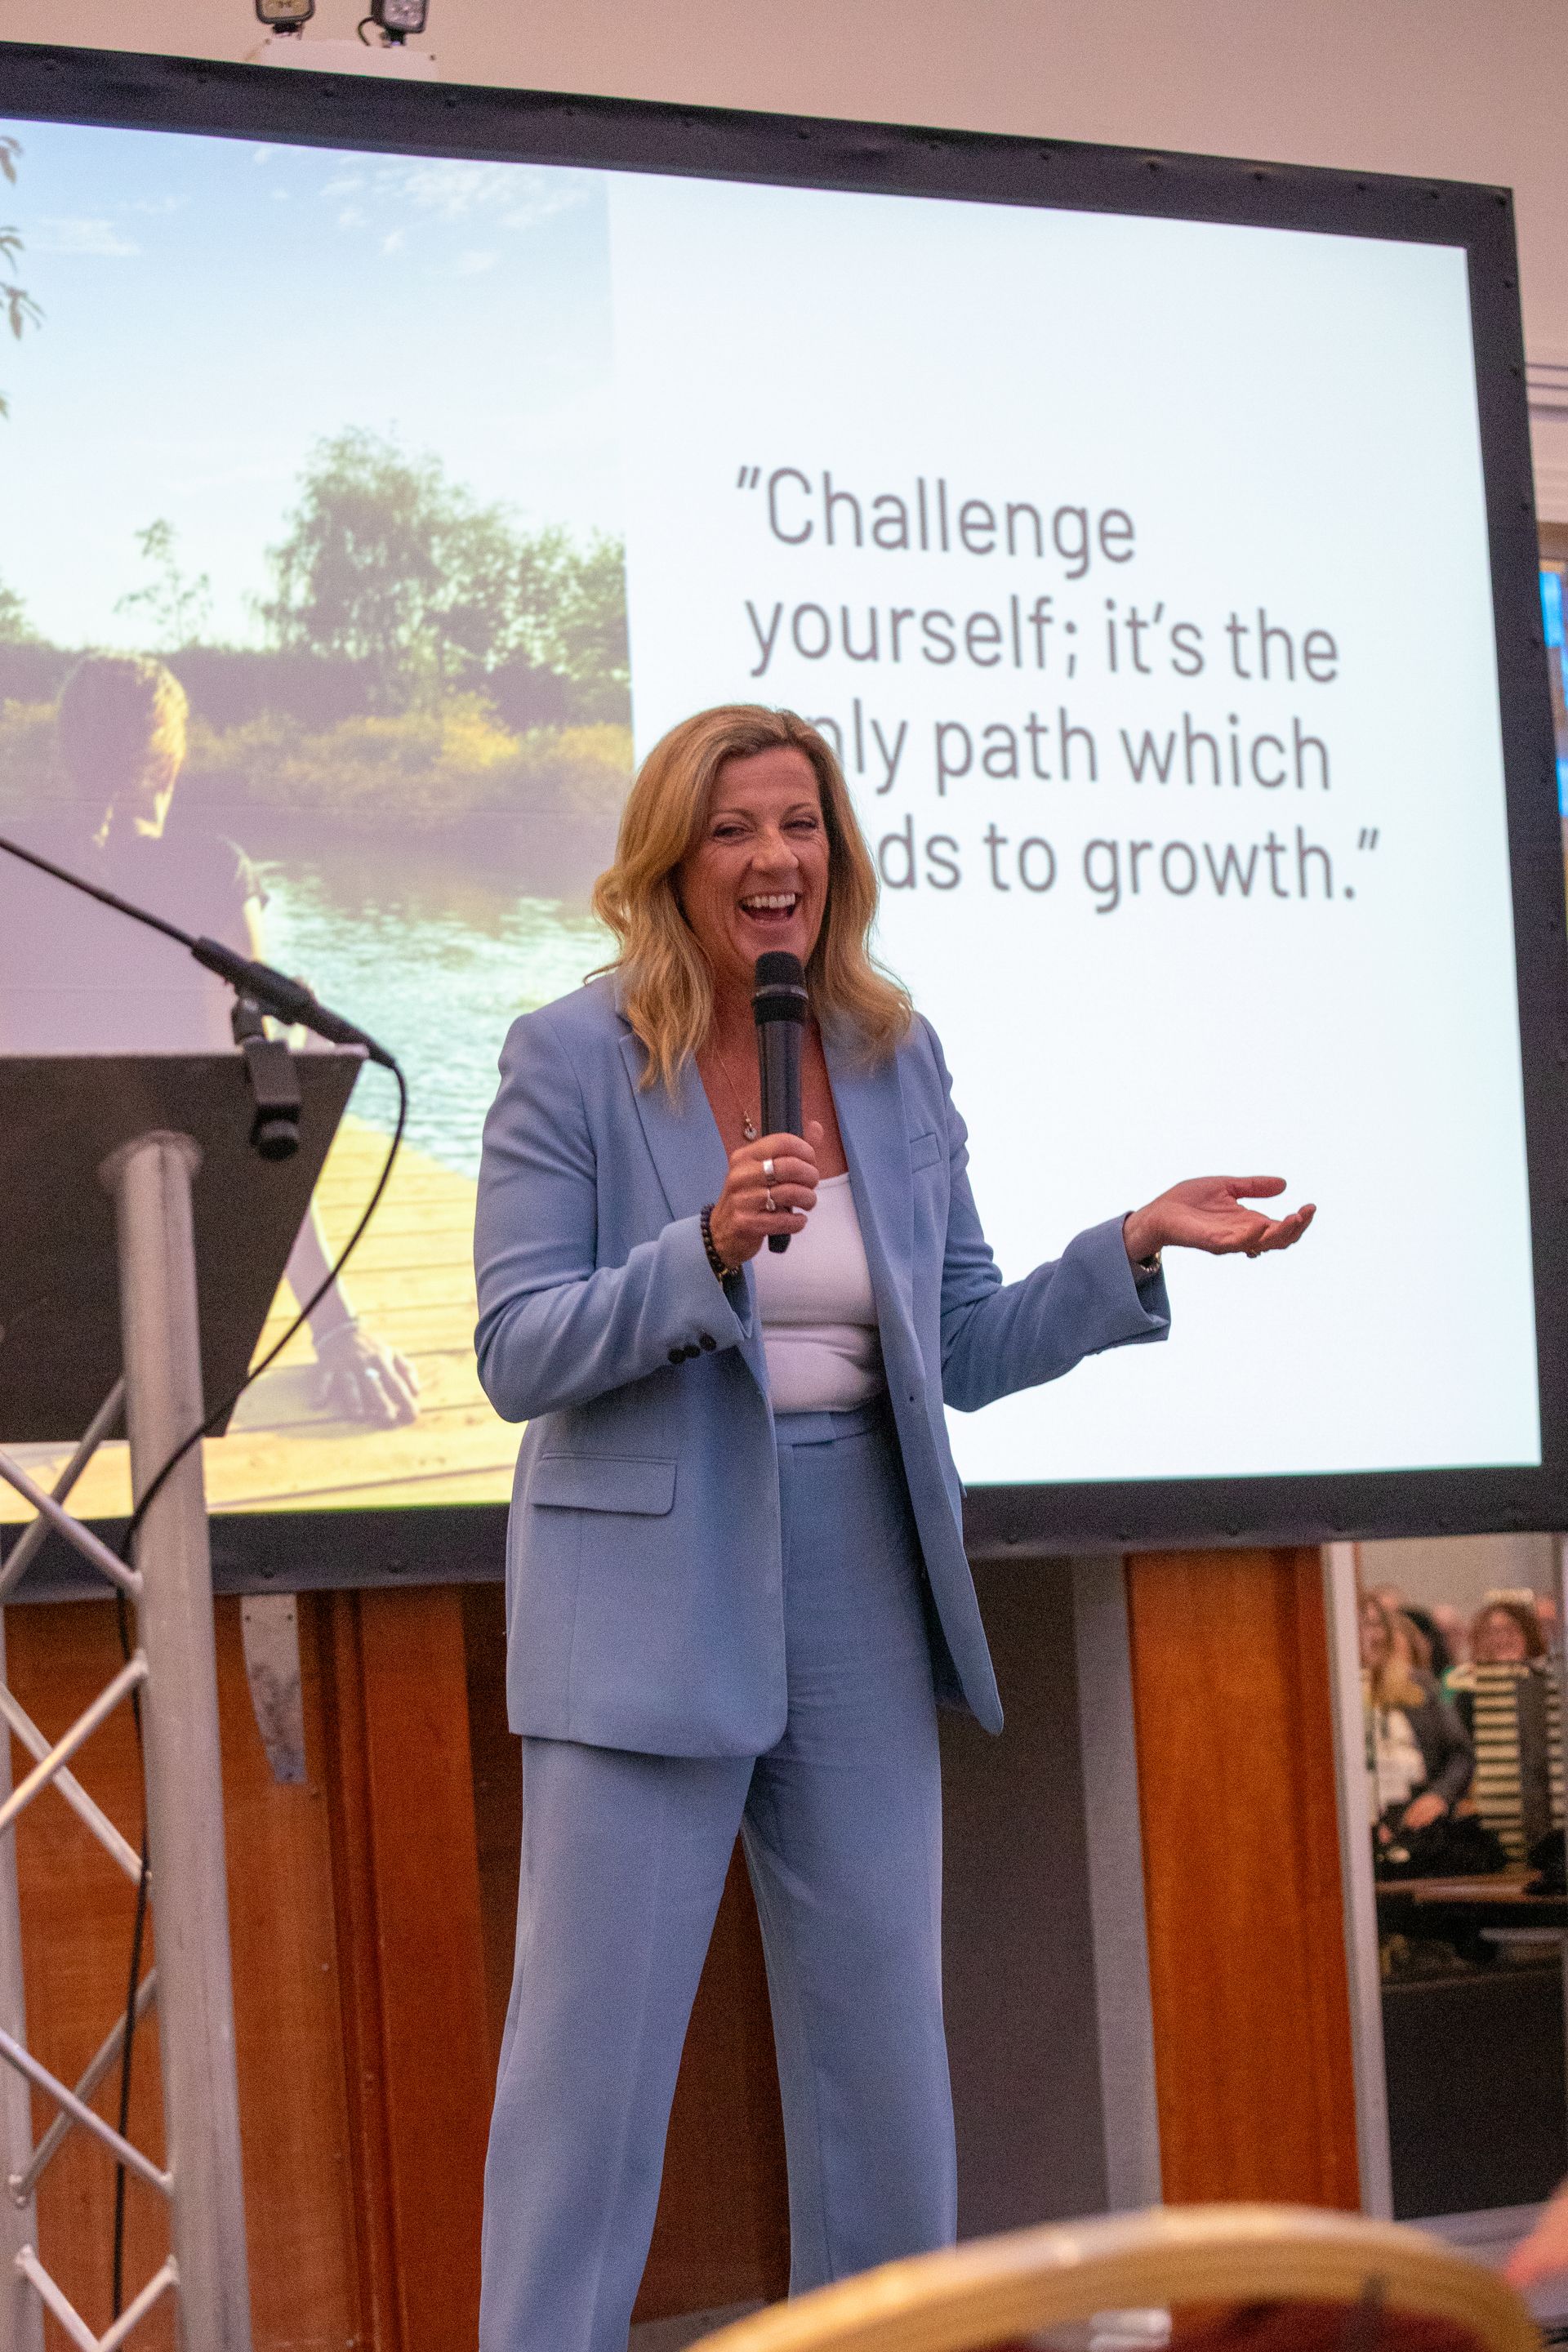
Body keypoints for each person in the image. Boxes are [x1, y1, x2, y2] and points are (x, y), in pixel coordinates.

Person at [472, 703, 1315, 2352]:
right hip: (649, 1589)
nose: (774, 857)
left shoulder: (889, 1053)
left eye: (801, 825)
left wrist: (1128, 1247)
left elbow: (969, 1341)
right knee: (593, 2089)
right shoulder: (570, 1057)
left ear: (835, 857)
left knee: (885, 2083)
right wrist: (702, 1247)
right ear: (671, 864)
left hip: (861, 1562)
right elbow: (517, 1350)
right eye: (733, 831)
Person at [0, 652, 417, 1424]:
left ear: (64, 748)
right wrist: (337, 1329)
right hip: (172, 1254)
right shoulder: (209, 872)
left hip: (22, 1264)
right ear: (174, 754)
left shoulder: (9, 866)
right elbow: (251, 1107)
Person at [1359, 1594, 1477, 1871]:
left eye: (1377, 1625)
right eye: (1361, 1625)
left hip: (1413, 1824)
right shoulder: (1321, 1691)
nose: (1371, 1635)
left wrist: (1439, 1795)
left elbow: (1461, 1755)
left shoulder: (1418, 1684)